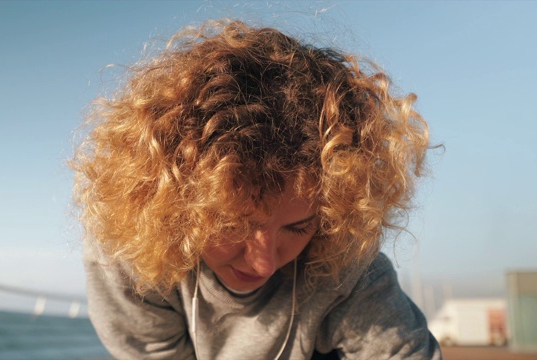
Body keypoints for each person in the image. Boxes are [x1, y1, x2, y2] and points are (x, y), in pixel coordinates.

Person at [72, 19, 441, 360]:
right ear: (174, 208)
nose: (264, 262)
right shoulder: (128, 253)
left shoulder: (345, 260)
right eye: (233, 224)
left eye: (298, 227)